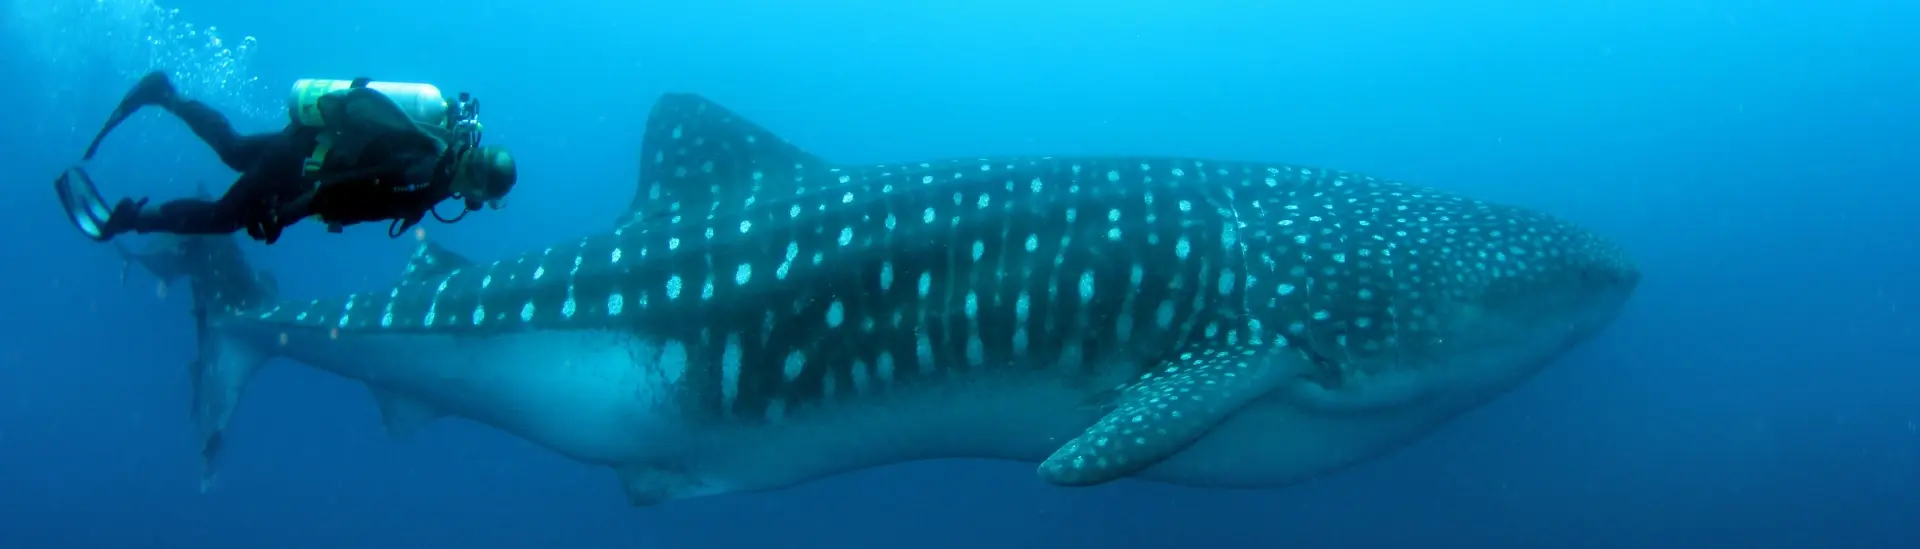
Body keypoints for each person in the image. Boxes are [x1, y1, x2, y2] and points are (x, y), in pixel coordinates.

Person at [54, 71, 518, 245]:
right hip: (300, 168)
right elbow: (341, 188)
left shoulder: (435, 155)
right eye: (479, 194)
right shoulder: (423, 170)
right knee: (222, 217)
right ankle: (129, 219)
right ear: (476, 193)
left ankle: (167, 95)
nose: (472, 199)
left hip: (302, 145)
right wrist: (285, 215)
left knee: (234, 149)